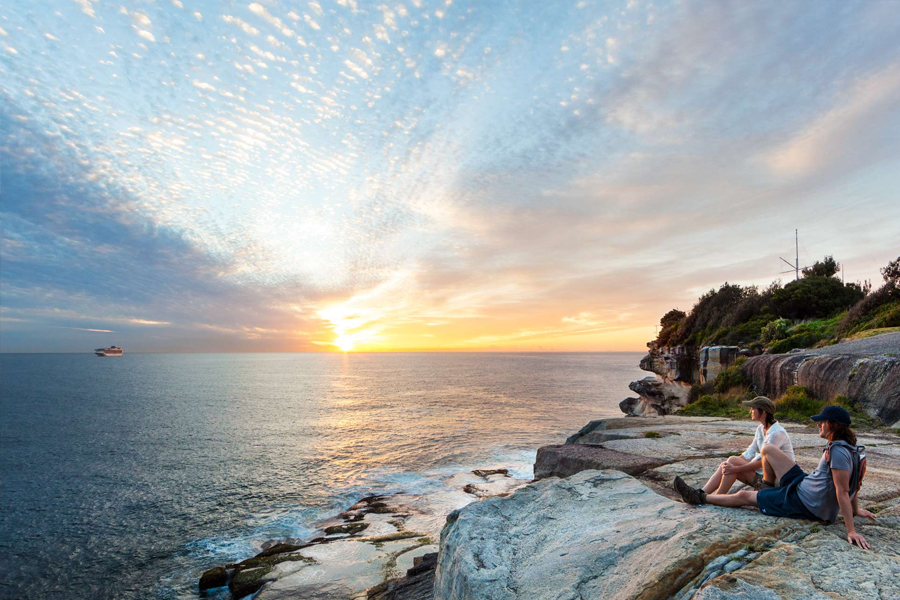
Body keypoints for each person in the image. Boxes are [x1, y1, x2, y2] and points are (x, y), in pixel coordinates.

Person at [673, 405, 877, 549]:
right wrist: (857, 510)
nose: (818, 425)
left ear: (833, 424)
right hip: (804, 484)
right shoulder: (852, 449)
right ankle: (767, 487)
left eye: (821, 422)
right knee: (768, 449)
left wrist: (851, 530)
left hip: (803, 502)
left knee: (744, 496)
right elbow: (855, 484)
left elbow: (843, 490)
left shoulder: (839, 452)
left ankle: (699, 497)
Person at [697, 396, 794, 496]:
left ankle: (715, 498)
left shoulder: (777, 433)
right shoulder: (760, 429)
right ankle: (701, 493)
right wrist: (732, 465)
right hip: (763, 476)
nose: (750, 412)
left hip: (777, 481)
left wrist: (735, 468)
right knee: (727, 464)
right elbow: (750, 451)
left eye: (753, 409)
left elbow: (762, 462)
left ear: (763, 411)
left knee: (732, 463)